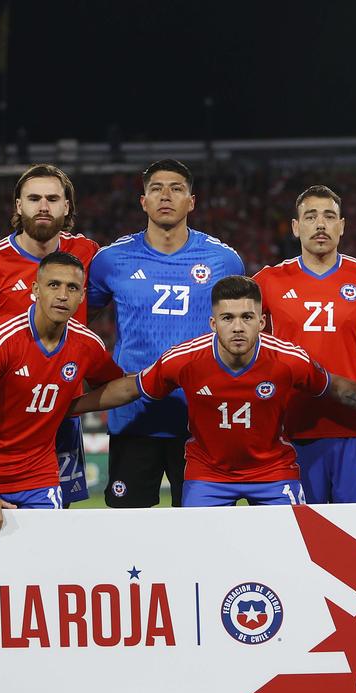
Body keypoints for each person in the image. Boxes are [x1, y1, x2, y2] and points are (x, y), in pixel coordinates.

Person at [0, 253, 122, 693]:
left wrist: (156, 382)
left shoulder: (85, 343)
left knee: (47, 568)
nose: (63, 295)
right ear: (35, 290)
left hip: (38, 472)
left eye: (72, 288)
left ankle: (36, 669)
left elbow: (115, 385)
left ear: (83, 296)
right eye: (54, 286)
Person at [70, 277, 356, 506]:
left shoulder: (288, 360)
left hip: (273, 472)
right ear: (213, 323)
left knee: (294, 555)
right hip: (209, 475)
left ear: (261, 321)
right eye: (228, 318)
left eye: (246, 317)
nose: (238, 327)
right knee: (199, 561)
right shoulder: (185, 360)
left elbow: (345, 391)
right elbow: (130, 388)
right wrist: (70, 407)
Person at [87, 159, 244, 508]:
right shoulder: (111, 260)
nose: (166, 196)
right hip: (133, 417)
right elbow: (79, 323)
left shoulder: (224, 261)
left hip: (201, 420)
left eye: (176, 188)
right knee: (130, 534)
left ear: (192, 201)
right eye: (156, 189)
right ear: (143, 201)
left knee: (201, 535)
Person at [0, 164, 99, 506]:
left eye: (52, 198)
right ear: (18, 206)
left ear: (67, 207)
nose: (42, 206)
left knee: (54, 526)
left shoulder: (88, 253)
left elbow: (97, 307)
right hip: (5, 420)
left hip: (60, 413)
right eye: (33, 198)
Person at [253, 185, 356, 504]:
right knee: (297, 537)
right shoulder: (268, 281)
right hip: (290, 429)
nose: (320, 224)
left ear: (342, 226)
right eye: (310, 216)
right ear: (296, 227)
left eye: (329, 216)